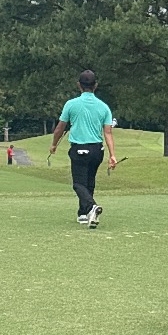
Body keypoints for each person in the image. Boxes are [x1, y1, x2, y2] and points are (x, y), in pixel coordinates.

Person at [49, 70, 117, 228]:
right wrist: (112, 155)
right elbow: (108, 133)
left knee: (78, 184)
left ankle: (92, 207)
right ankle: (83, 213)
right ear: (95, 85)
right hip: (97, 150)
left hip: (79, 149)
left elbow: (60, 128)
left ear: (79, 85)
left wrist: (54, 144)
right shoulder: (104, 107)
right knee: (89, 182)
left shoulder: (71, 104)